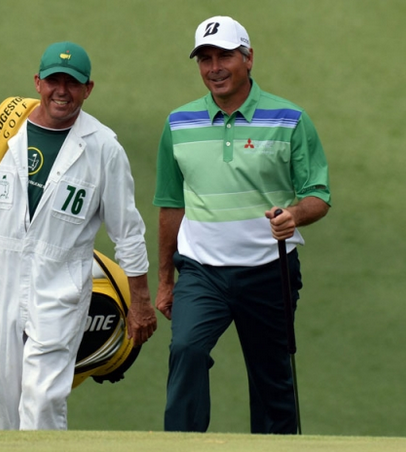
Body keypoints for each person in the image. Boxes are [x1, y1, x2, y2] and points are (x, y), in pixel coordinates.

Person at [0, 41, 157, 430]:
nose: (62, 91)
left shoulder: (104, 149)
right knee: (5, 399)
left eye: (73, 82)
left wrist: (140, 301)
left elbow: (128, 233)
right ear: (38, 82)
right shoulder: (2, 127)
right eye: (54, 80)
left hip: (61, 285)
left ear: (89, 89)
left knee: (43, 398)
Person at [153, 16, 331, 434]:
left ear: (248, 58)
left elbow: (318, 195)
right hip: (201, 271)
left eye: (225, 56)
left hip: (269, 271)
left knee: (273, 383)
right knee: (186, 350)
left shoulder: (290, 119)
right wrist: (165, 279)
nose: (214, 67)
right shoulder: (178, 124)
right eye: (205, 58)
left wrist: (294, 215)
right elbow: (169, 205)